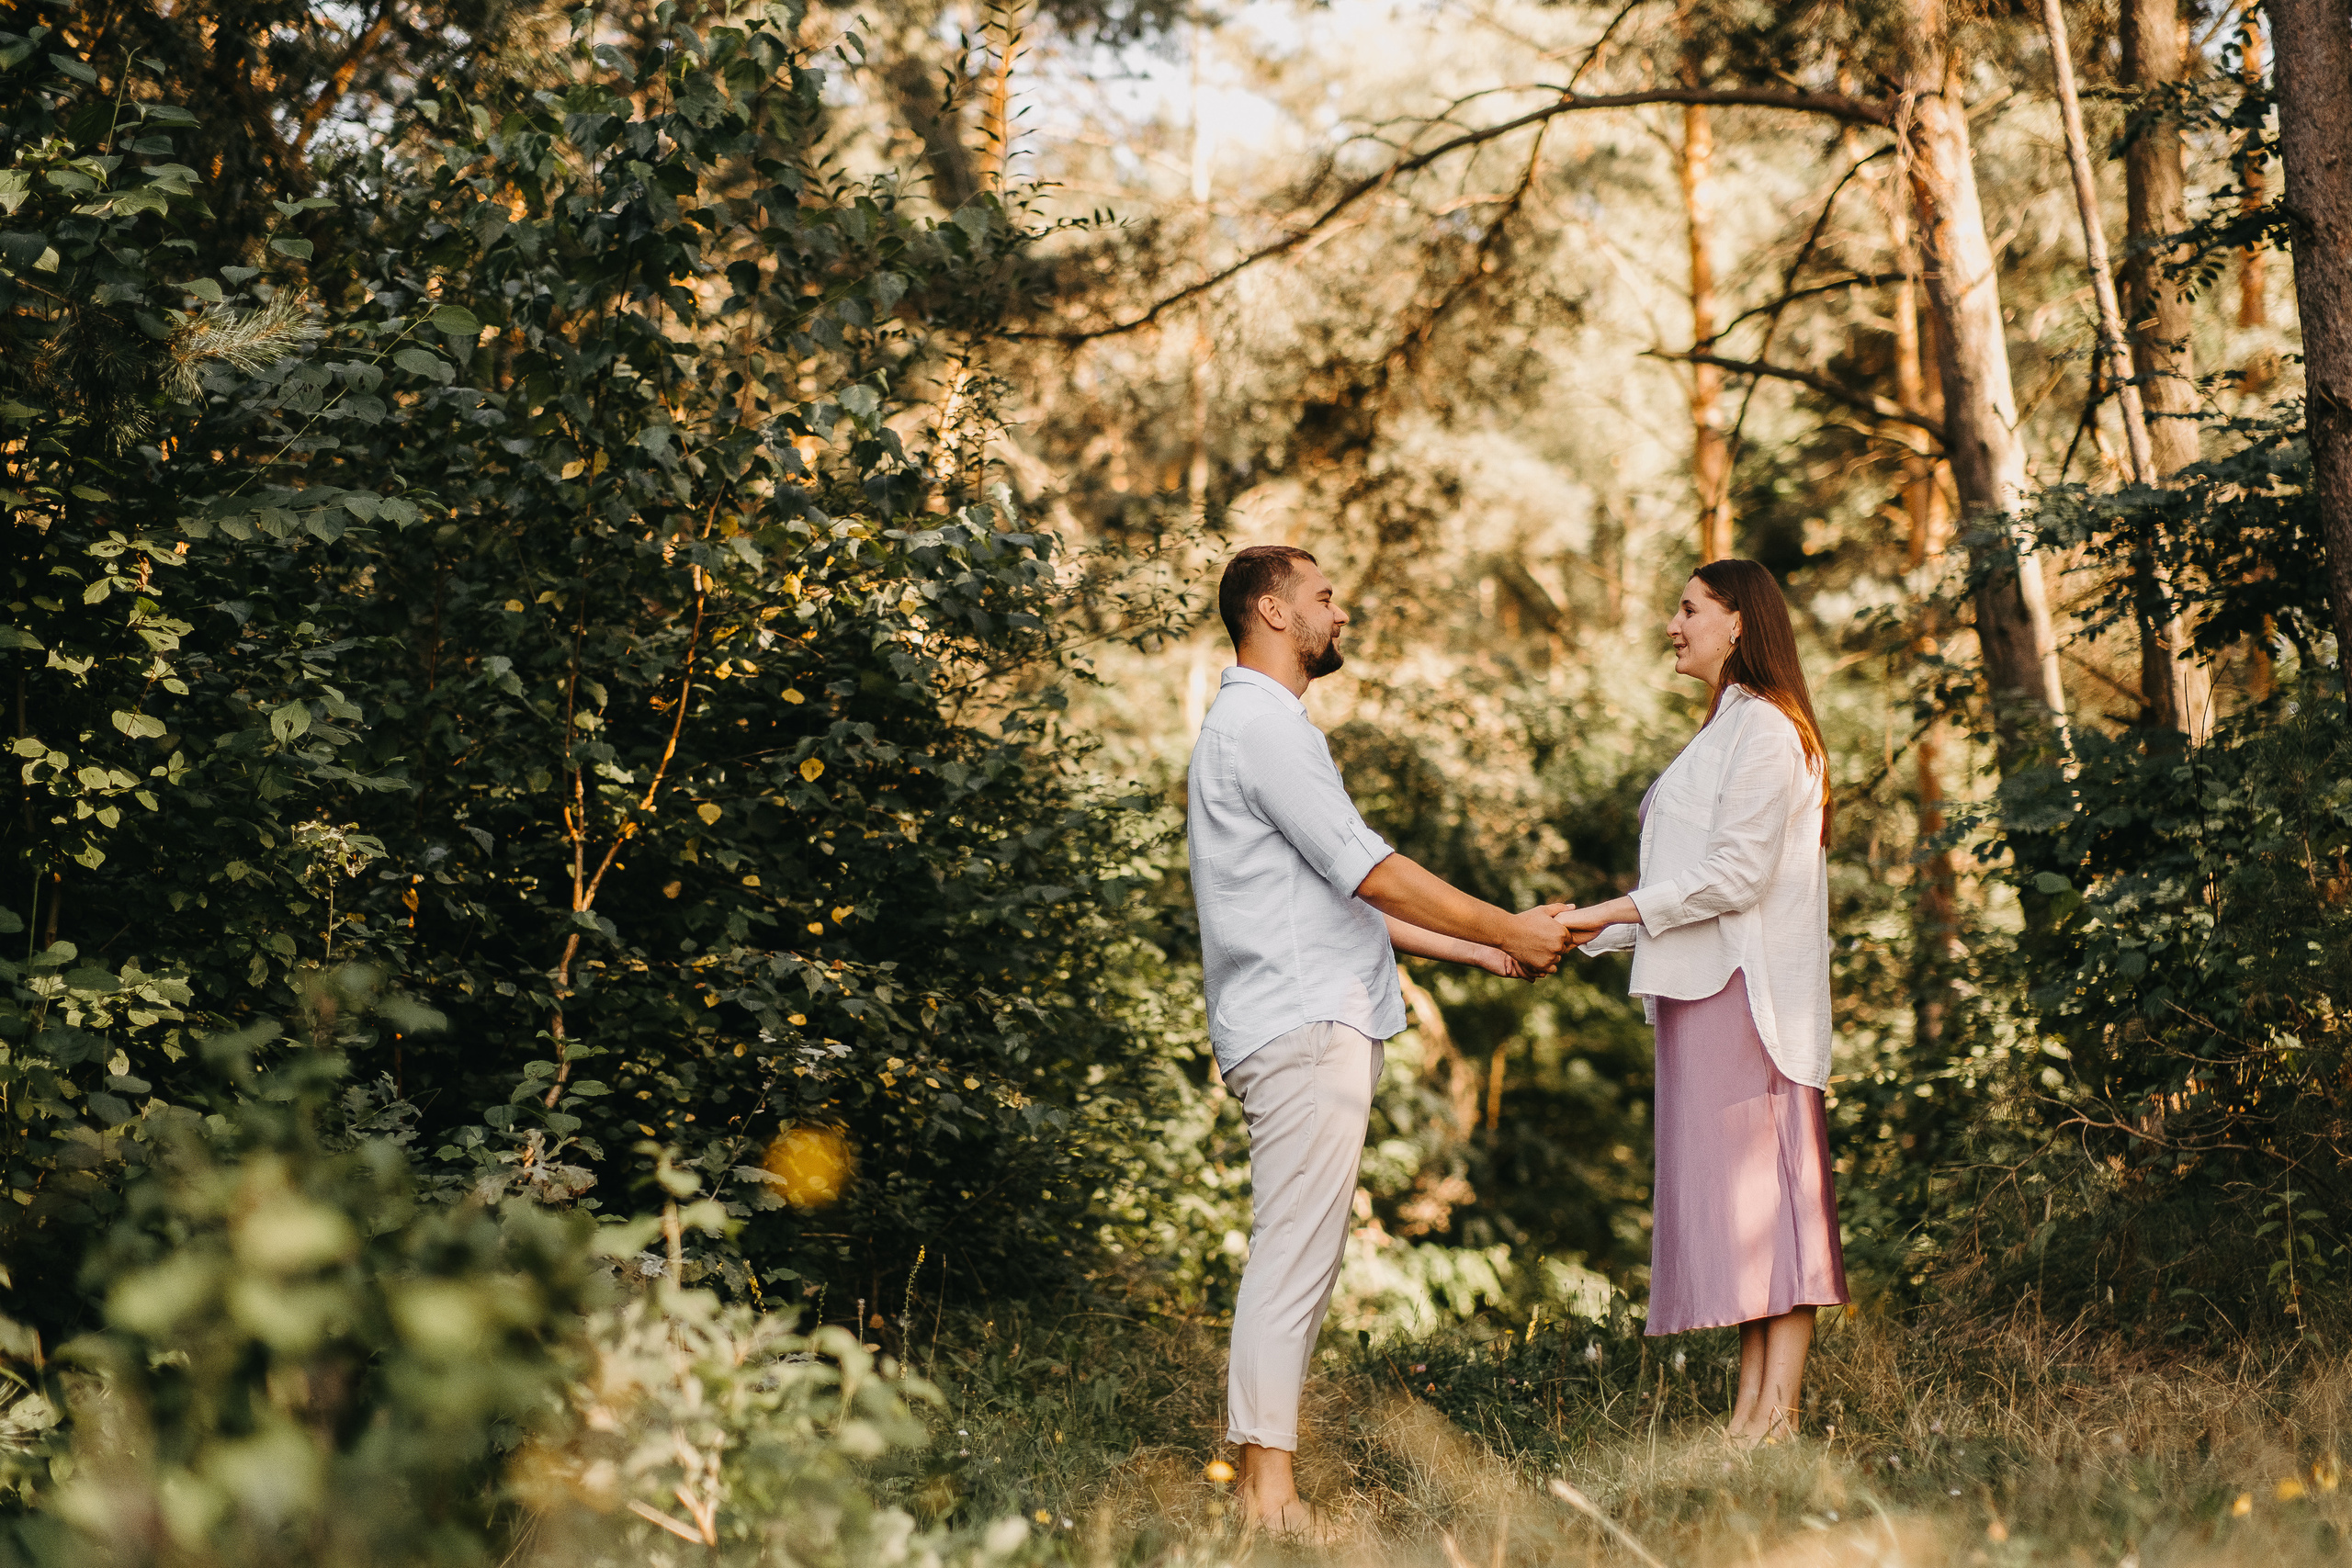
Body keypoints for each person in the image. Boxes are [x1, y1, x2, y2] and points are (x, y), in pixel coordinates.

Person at [1188, 544, 1575, 1533]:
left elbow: (1342, 899)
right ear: (1270, 610)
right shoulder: (1261, 728)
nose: (1340, 611)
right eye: (1324, 596)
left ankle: (1262, 1483)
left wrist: (1483, 956)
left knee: (1299, 1256)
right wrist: (1507, 924)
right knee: (1292, 1258)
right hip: (1304, 1024)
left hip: (1304, 1016)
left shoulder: (1260, 728)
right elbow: (1370, 872)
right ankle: (1268, 1503)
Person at [1560, 558, 1848, 1447]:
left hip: (1744, 995)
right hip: (1698, 990)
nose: (1672, 624)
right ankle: (1750, 1418)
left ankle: (1777, 1419)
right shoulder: (1725, 728)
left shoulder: (1765, 730)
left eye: (1689, 609)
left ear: (1737, 624)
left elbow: (1731, 878)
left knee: (1774, 1206)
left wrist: (1596, 916)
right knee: (1739, 1214)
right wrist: (1579, 935)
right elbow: (1676, 886)